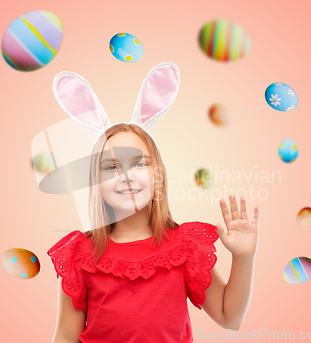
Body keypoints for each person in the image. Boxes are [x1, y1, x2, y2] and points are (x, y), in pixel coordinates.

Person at [46, 62, 259, 343]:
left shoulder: (185, 246)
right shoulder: (80, 255)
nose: (125, 176)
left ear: (157, 174)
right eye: (111, 167)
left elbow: (229, 317)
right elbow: (65, 336)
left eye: (138, 164)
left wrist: (244, 258)